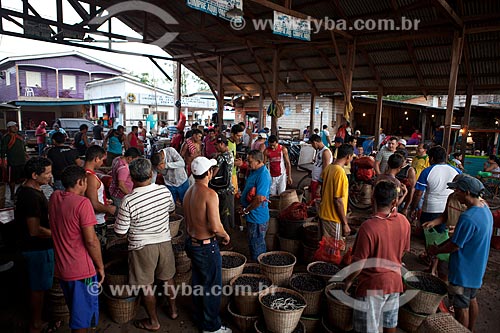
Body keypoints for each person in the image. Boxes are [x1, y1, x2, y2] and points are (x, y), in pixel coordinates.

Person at [114, 158, 178, 331]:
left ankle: (154, 321)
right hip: (164, 241)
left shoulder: (129, 200)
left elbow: (120, 231)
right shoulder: (164, 191)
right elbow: (171, 210)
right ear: (151, 174)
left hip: (141, 247)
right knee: (167, 278)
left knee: (146, 286)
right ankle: (173, 311)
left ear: (132, 178)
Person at [345, 181, 411, 333]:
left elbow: (358, 264)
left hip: (372, 287)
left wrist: (348, 282)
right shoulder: (404, 222)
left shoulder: (368, 227)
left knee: (369, 328)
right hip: (394, 283)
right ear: (394, 201)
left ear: (372, 199)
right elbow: (403, 252)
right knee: (390, 324)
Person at [428, 175, 492, 331]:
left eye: (458, 190)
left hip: (462, 270)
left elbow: (455, 245)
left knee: (460, 307)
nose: (455, 192)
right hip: (477, 268)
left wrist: (436, 250)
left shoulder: (468, 217)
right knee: (472, 299)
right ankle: (470, 329)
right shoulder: (485, 209)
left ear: (467, 192)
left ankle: (462, 330)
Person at [49, 165, 104, 333]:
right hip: (82, 271)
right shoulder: (83, 204)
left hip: (62, 269)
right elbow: (91, 241)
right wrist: (100, 266)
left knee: (75, 309)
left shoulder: (55, 197)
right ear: (81, 182)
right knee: (82, 319)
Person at [183, 157, 231, 333]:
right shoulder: (210, 194)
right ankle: (211, 327)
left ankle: (199, 317)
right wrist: (225, 236)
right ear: (209, 173)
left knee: (198, 282)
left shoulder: (189, 191)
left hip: (192, 243)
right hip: (205, 246)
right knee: (212, 287)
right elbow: (215, 226)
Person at [15, 157, 54, 333]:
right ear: (34, 175)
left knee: (39, 286)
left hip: (37, 247)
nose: (50, 176)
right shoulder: (30, 196)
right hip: (36, 249)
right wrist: (58, 235)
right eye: (47, 173)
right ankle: (36, 325)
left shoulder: (32, 189)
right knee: (37, 288)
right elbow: (34, 230)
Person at [240, 150, 272, 261]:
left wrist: (246, 210)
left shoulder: (263, 175)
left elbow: (259, 199)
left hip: (257, 217)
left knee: (257, 245)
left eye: (250, 162)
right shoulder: (254, 170)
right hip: (252, 216)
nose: (248, 164)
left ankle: (259, 268)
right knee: (253, 242)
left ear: (258, 161)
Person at [318, 144, 353, 240]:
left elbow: (321, 187)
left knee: (324, 248)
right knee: (333, 250)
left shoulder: (329, 167)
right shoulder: (340, 173)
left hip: (323, 214)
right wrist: (345, 223)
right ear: (348, 156)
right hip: (333, 218)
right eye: (351, 157)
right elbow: (338, 200)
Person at [84, 145, 116, 245]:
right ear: (96, 159)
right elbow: (94, 204)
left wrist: (104, 201)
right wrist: (110, 209)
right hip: (96, 221)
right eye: (102, 160)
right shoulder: (90, 177)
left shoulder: (86, 173)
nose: (102, 163)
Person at [210, 135, 235, 234]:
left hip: (221, 190)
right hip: (229, 188)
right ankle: (229, 234)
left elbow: (213, 174)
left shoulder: (221, 157)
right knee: (229, 214)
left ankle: (224, 237)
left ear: (222, 144)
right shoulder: (230, 154)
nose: (215, 147)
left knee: (222, 214)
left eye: (216, 145)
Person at [1, 121, 28, 200]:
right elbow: (3, 151)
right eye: (13, 126)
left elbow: (23, 148)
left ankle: (21, 192)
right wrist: (3, 162)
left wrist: (26, 155)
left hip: (22, 161)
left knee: (23, 178)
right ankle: (12, 194)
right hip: (12, 162)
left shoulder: (19, 136)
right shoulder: (6, 137)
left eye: (16, 126)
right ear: (9, 128)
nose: (15, 128)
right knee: (11, 180)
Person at [309, 134, 333, 202]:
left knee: (318, 202)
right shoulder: (319, 150)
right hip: (315, 180)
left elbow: (325, 170)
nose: (312, 146)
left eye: (312, 144)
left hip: (319, 182)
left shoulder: (325, 152)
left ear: (315, 142)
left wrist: (320, 186)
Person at [228, 124, 244, 193]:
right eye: (238, 136)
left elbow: (234, 153)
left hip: (234, 172)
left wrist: (238, 158)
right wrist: (235, 162)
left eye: (240, 136)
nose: (239, 138)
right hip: (228, 174)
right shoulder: (226, 143)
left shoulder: (234, 143)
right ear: (232, 134)